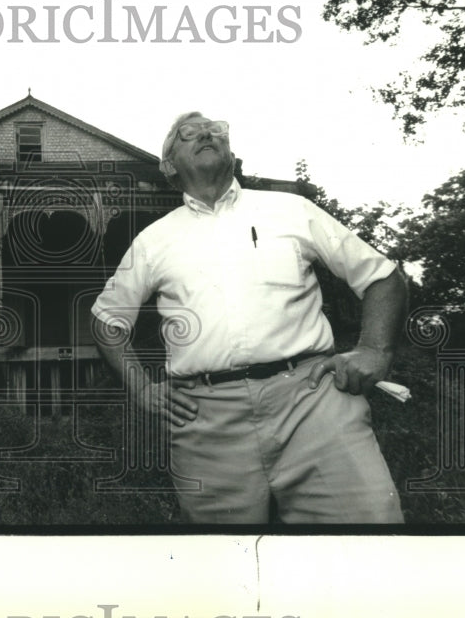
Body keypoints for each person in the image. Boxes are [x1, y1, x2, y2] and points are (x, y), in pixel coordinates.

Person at [90, 112, 407, 524]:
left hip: (312, 403)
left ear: (232, 153)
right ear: (168, 166)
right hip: (205, 421)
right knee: (219, 569)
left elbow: (383, 276)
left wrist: (374, 349)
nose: (205, 133)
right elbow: (106, 320)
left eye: (215, 130)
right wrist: (140, 387)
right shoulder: (153, 241)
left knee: (370, 527)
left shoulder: (291, 210)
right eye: (188, 134)